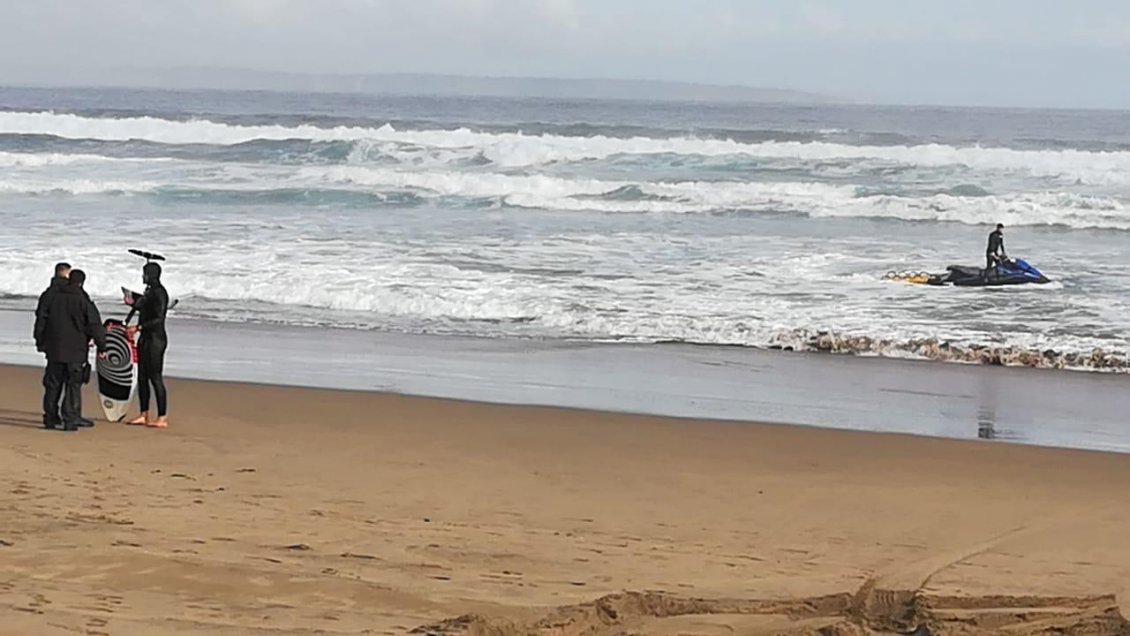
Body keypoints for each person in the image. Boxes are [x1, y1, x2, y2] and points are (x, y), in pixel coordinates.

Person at [37, 270, 106, 432]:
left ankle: (50, 417)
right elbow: (94, 325)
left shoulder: (54, 298)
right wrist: (102, 345)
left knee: (53, 384)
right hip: (76, 349)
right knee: (73, 385)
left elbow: (42, 319)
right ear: (81, 282)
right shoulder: (83, 300)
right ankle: (70, 419)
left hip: (55, 348)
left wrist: (41, 341)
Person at [126, 262, 170, 429]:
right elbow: (145, 308)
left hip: (156, 340)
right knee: (142, 377)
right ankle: (143, 414)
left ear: (151, 275)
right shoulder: (149, 291)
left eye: (144, 274)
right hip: (145, 339)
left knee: (155, 377)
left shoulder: (160, 293)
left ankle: (162, 417)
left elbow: (159, 318)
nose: (142, 276)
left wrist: (138, 327)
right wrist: (133, 302)